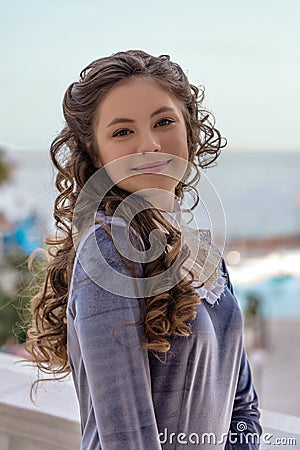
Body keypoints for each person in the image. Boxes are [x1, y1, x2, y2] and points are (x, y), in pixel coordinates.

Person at [25, 50, 262, 449]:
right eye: (122, 132)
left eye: (163, 121)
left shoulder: (206, 257)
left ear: (188, 128)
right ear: (95, 152)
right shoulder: (109, 250)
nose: (149, 144)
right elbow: (127, 438)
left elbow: (243, 410)